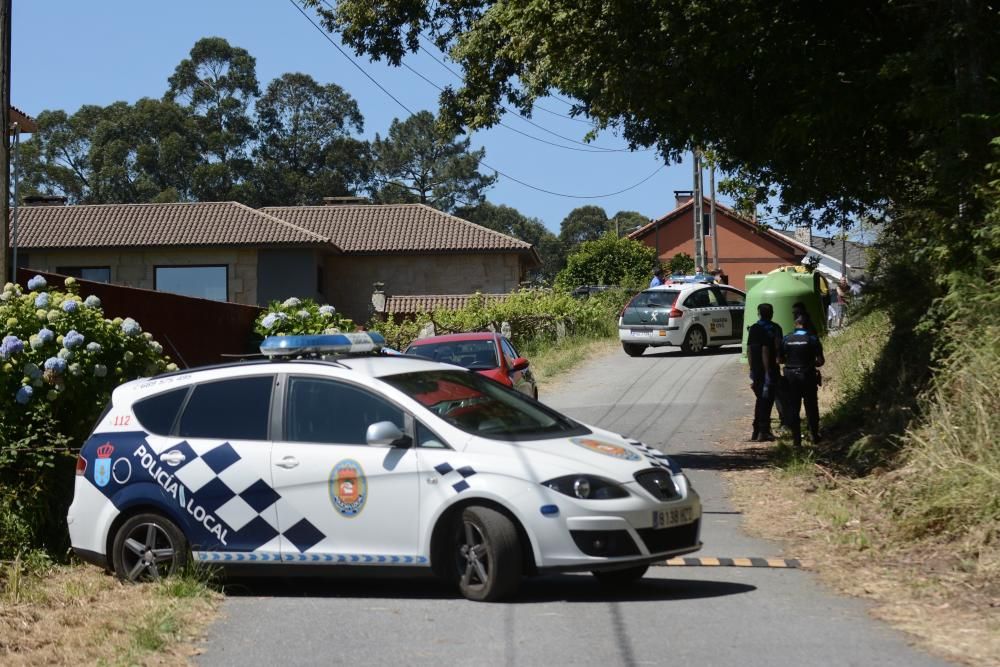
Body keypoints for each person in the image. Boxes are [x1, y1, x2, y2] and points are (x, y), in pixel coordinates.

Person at [779, 312, 825, 447]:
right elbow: (820, 361)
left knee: (794, 407)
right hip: (808, 375)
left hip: (791, 377)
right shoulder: (812, 339)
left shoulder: (786, 338)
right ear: (807, 324)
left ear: (796, 324)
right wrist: (810, 363)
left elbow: (779, 359)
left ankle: (796, 440)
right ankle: (814, 435)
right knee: (811, 406)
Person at [746, 303, 783, 441]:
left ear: (759, 313)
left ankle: (757, 430)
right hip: (769, 368)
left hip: (756, 369)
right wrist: (768, 371)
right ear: (771, 313)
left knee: (760, 399)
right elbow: (767, 350)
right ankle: (763, 430)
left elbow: (749, 349)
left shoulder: (754, 328)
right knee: (767, 400)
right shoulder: (774, 328)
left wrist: (751, 368)